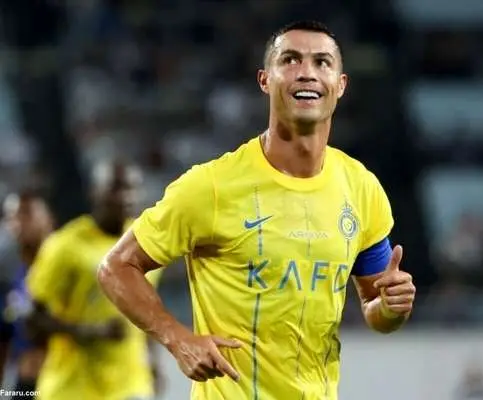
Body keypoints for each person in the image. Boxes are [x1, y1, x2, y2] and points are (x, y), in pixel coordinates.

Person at [98, 20, 416, 400]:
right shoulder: (212, 186)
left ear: (341, 84)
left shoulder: (361, 187)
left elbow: (374, 306)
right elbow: (116, 267)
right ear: (265, 80)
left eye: (322, 62)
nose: (307, 72)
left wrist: (392, 308)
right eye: (291, 60)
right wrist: (177, 338)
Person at [25, 160, 164, 400]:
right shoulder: (65, 245)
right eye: (115, 188)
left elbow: (146, 309)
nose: (125, 197)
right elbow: (33, 321)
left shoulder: (147, 243)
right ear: (94, 192)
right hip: (74, 388)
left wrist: (153, 362)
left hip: (131, 385)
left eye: (131, 188)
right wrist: (89, 331)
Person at [0, 189, 54, 399]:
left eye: (26, 213)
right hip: (23, 382)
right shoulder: (17, 273)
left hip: (63, 381)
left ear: (48, 218)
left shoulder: (67, 266)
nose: (17, 223)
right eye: (11, 216)